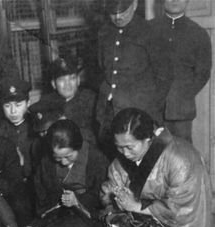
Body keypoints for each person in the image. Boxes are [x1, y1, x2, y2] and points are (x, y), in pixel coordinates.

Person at [100, 108, 212, 227]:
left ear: (148, 139)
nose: (124, 153)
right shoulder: (129, 157)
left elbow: (180, 211)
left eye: (129, 147)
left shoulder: (181, 158)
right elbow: (110, 189)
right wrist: (115, 200)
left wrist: (136, 206)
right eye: (119, 147)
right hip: (147, 223)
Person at [96, 0, 173, 158]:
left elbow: (165, 76)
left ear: (135, 5)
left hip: (140, 114)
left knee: (142, 162)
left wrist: (149, 108)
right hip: (109, 111)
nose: (117, 17)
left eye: (123, 11)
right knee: (112, 159)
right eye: (113, 12)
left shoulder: (150, 32)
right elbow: (100, 68)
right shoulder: (104, 33)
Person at [32, 119, 109, 227]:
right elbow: (41, 191)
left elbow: (101, 195)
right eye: (57, 157)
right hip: (55, 213)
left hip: (85, 215)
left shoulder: (96, 159)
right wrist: (57, 202)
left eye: (68, 156)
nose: (63, 162)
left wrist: (77, 201)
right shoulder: (46, 161)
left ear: (78, 147)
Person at [149, 0, 212, 143]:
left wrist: (182, 94)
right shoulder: (148, 29)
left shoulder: (198, 33)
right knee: (151, 156)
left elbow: (203, 73)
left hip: (181, 112)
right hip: (151, 109)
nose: (174, 0)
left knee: (182, 156)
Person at [36, 54, 98, 146]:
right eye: (62, 80)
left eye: (72, 78)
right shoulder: (46, 102)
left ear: (78, 80)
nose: (67, 84)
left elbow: (96, 135)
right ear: (53, 84)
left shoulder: (91, 99)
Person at [0, 76, 37, 180]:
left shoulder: (36, 129)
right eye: (7, 106)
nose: (13, 111)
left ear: (28, 103)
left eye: (18, 105)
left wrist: (23, 165)